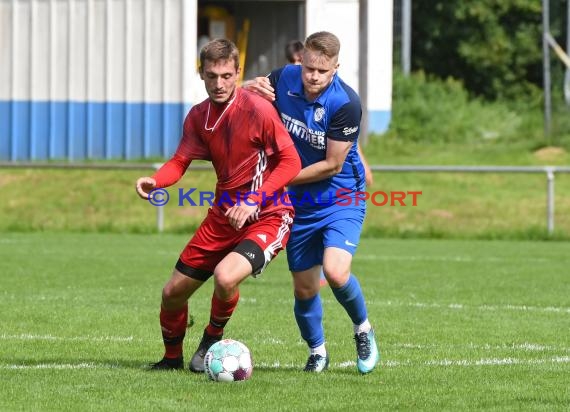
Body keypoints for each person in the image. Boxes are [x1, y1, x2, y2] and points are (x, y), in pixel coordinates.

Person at [135, 38, 301, 372]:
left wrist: (255, 199)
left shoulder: (259, 110)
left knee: (226, 278)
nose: (219, 83)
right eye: (212, 75)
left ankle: (212, 337)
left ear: (238, 73)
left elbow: (291, 162)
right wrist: (157, 180)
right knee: (172, 294)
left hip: (268, 215)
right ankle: (171, 360)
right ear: (202, 74)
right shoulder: (198, 116)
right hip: (223, 217)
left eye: (227, 75)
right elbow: (179, 161)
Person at [243, 31, 380, 374]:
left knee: (335, 272)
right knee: (304, 289)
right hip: (299, 205)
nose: (314, 77)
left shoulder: (346, 104)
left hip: (340, 198)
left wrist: (273, 182)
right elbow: (244, 90)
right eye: (309, 69)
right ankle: (318, 351)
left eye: (323, 71)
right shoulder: (286, 77)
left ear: (336, 68)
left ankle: (363, 329)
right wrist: (249, 86)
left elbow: (332, 165)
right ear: (301, 61)